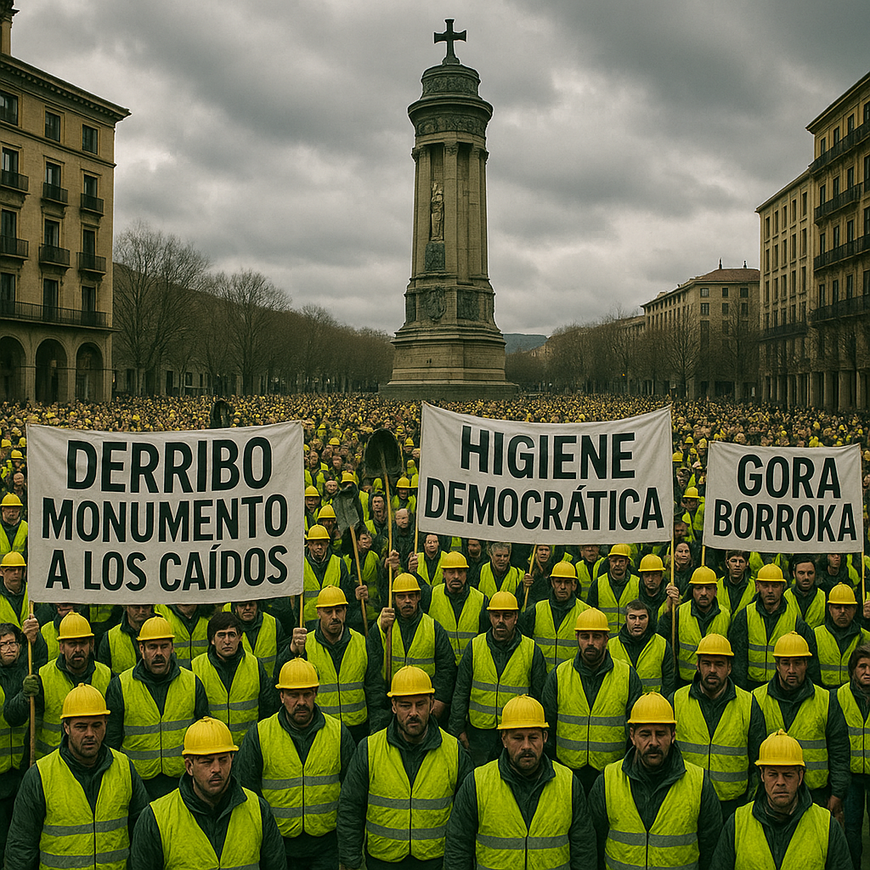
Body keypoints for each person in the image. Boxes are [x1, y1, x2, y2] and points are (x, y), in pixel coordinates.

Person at [338, 666, 470, 870]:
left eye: (421, 705)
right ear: (393, 706)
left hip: (434, 862)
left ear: (432, 704)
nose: (413, 713)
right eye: (406, 706)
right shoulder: (369, 749)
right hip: (382, 861)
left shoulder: (454, 750)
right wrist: (350, 860)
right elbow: (351, 808)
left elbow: (466, 818)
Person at [5, 683, 149, 870]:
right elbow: (20, 847)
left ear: (106, 724)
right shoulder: (40, 775)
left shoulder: (125, 768)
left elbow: (142, 837)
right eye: (81, 727)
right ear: (66, 727)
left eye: (96, 725)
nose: (90, 734)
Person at [444, 694, 595, 870]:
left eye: (533, 737)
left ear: (545, 737)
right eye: (518, 738)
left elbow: (584, 850)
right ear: (504, 739)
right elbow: (458, 847)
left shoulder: (568, 783)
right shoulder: (477, 784)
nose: (526, 746)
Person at [236, 657, 355, 870]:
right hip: (278, 845)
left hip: (326, 846)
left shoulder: (338, 733)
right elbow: (247, 793)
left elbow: (351, 797)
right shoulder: (259, 735)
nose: (301, 702)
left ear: (315, 694)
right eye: (293, 695)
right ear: (281, 696)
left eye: (307, 694)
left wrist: (347, 851)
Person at [130, 716, 286, 869]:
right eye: (207, 761)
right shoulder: (156, 819)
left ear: (232, 760)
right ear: (189, 766)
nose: (217, 769)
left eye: (223, 760)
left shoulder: (258, 810)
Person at [589, 693, 723, 870]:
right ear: (632, 736)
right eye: (645, 734)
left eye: (660, 734)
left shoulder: (699, 783)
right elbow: (593, 844)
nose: (653, 742)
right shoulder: (607, 780)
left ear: (673, 735)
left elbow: (711, 849)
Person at [709, 729, 852, 870]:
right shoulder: (737, 823)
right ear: (762, 775)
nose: (780, 782)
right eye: (773, 774)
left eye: (788, 775)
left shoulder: (826, 826)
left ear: (800, 777)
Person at [105, 615, 210, 799]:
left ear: (172, 648)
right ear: (141, 649)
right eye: (152, 647)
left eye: (164, 646)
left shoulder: (192, 682)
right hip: (136, 784)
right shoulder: (120, 686)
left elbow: (204, 737)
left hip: (182, 782)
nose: (158, 653)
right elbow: (111, 742)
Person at [543, 607, 642, 795]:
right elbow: (548, 727)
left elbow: (635, 731)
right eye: (584, 636)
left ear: (606, 639)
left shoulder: (627, 676)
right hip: (567, 772)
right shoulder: (558, 675)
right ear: (577, 638)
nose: (590, 642)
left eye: (596, 636)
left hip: (613, 774)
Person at [752, 631, 849, 814]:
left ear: (806, 664)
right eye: (786, 663)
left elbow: (840, 751)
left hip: (816, 795)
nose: (791, 669)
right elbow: (751, 752)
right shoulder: (756, 699)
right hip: (770, 796)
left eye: (797, 663)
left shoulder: (827, 701)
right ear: (777, 665)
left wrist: (837, 793)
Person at [672, 633, 766, 818]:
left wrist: (751, 801)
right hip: (686, 801)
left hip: (733, 806)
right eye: (707, 663)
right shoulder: (676, 701)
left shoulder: (748, 704)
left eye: (719, 664)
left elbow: (758, 761)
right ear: (697, 666)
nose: (712, 670)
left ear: (729, 668)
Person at [450, 590, 547, 767]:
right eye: (496, 615)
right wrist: (457, 728)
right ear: (489, 617)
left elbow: (539, 697)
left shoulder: (532, 650)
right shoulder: (474, 646)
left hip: (516, 733)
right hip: (479, 734)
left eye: (507, 616)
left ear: (516, 618)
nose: (501, 621)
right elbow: (461, 690)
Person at [280, 585, 377, 744]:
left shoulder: (362, 643)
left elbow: (374, 689)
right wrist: (291, 652)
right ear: (318, 613)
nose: (334, 616)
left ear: (345, 611)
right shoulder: (305, 646)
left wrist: (375, 728)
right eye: (328, 612)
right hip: (320, 729)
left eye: (338, 610)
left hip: (358, 730)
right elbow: (282, 678)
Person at [8, 611, 111, 759]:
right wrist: (24, 696)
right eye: (72, 644)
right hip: (51, 767)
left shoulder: (107, 676)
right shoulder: (43, 677)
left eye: (82, 643)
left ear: (91, 644)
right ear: (61, 647)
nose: (77, 649)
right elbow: (13, 718)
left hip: (93, 765)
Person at [367, 573, 455, 730]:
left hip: (423, 705)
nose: (407, 601)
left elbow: (446, 668)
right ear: (393, 599)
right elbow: (372, 670)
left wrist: (440, 700)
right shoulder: (383, 628)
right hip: (392, 703)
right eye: (401, 597)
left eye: (411, 596)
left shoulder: (433, 628)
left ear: (418, 597)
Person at [191, 611, 276, 746]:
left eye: (231, 634)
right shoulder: (196, 667)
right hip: (211, 748)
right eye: (221, 635)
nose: (227, 641)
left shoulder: (254, 664)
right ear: (212, 640)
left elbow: (267, 707)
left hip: (248, 746)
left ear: (240, 637)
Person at [729, 564, 817, 690]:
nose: (770, 591)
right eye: (765, 586)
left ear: (782, 587)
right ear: (757, 586)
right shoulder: (745, 616)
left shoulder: (795, 620)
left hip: (783, 689)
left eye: (775, 586)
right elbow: (737, 662)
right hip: (751, 688)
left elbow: (810, 662)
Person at [659, 566, 731, 685]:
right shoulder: (679, 612)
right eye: (699, 588)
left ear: (716, 591)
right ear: (692, 590)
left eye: (708, 588)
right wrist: (668, 613)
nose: (703, 593)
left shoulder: (725, 615)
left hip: (715, 682)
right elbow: (664, 638)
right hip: (685, 681)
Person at [834, 641, 870, 868]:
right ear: (853, 670)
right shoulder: (837, 697)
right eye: (862, 666)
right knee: (852, 832)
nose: (868, 672)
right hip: (851, 778)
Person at [519, 560, 589, 673]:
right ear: (552, 583)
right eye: (558, 582)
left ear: (574, 585)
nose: (562, 586)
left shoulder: (586, 613)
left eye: (567, 582)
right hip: (541, 678)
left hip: (572, 678)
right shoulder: (535, 610)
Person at [428, 550, 489, 665]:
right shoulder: (432, 595)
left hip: (471, 664)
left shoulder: (481, 599)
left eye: (460, 572)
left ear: (466, 574)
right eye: (451, 572)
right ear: (444, 574)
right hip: (441, 665)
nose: (456, 576)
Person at [0, 622, 27, 855]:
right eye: (3, 644)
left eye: (12, 643)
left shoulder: (27, 673)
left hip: (20, 768)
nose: (9, 648)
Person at [609, 599, 674, 695]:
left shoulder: (662, 645)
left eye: (642, 618)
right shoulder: (610, 646)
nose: (637, 623)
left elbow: (669, 681)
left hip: (652, 705)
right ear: (626, 619)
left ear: (649, 619)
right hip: (620, 704)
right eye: (632, 617)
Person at [814, 583, 870, 689]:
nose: (843, 611)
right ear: (830, 609)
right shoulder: (816, 635)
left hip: (855, 694)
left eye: (847, 607)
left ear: (855, 609)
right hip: (825, 694)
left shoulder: (865, 636)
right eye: (838, 607)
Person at [586, 543, 640, 635]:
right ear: (609, 561)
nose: (617, 564)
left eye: (621, 561)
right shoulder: (598, 584)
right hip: (605, 641)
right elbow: (590, 614)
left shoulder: (637, 583)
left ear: (627, 562)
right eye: (614, 561)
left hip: (630, 640)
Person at [231, 597, 286, 677]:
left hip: (269, 683)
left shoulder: (273, 623)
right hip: (242, 684)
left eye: (251, 604)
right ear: (236, 608)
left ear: (257, 606)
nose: (247, 608)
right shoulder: (229, 628)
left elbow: (282, 656)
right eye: (242, 605)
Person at [99, 603, 155, 675]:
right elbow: (104, 673)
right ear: (126, 607)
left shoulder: (161, 632)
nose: (141, 611)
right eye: (136, 607)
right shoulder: (110, 637)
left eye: (146, 607)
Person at [154, 602, 210, 670]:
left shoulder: (210, 616)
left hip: (203, 675)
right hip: (174, 676)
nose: (185, 601)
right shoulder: (161, 613)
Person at [784, 555, 827, 629]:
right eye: (801, 573)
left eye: (810, 573)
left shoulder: (824, 597)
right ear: (794, 574)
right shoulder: (785, 597)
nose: (806, 577)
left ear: (815, 574)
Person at [716, 550, 755, 615]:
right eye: (733, 561)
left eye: (741, 561)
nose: (737, 565)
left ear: (747, 564)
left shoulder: (754, 586)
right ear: (727, 563)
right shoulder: (717, 585)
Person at [0, 493, 26, 557]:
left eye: (15, 508)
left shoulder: (27, 528)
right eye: (8, 508)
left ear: (20, 509)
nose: (12, 511)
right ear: (3, 509)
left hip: (21, 566)